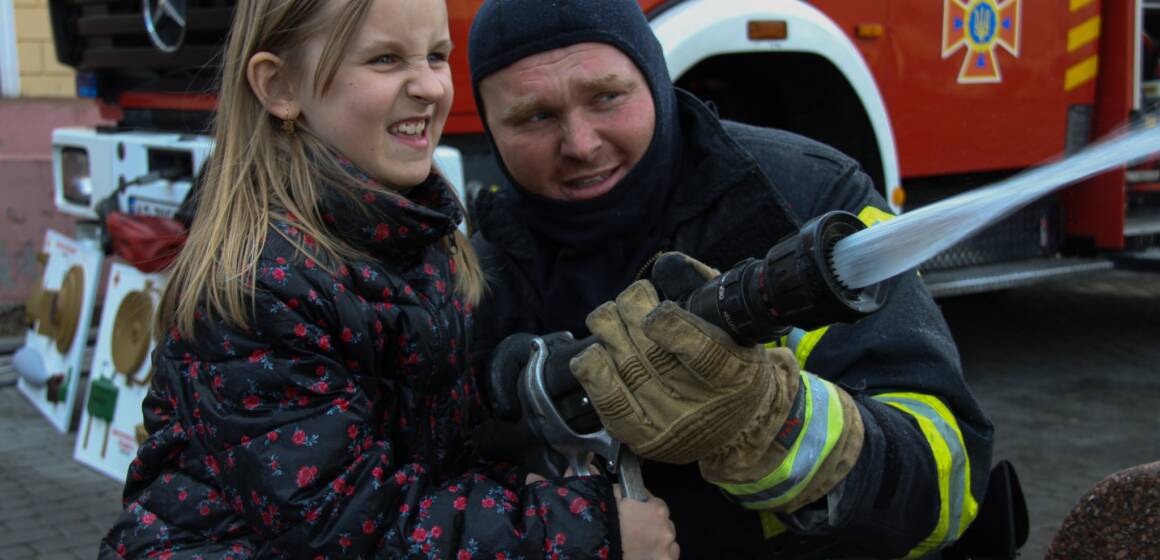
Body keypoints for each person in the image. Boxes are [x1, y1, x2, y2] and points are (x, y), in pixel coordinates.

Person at [99, 1, 677, 558]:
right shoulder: (262, 285)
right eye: (385, 60)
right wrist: (590, 530)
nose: (429, 86)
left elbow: (421, 438)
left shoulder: (403, 233)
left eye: (435, 55)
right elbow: (346, 528)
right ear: (279, 87)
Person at [466, 0, 994, 558]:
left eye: (606, 97)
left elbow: (949, 488)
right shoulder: (476, 271)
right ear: (491, 131)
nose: (581, 143)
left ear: (655, 81)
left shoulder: (810, 203)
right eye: (535, 117)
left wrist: (767, 422)